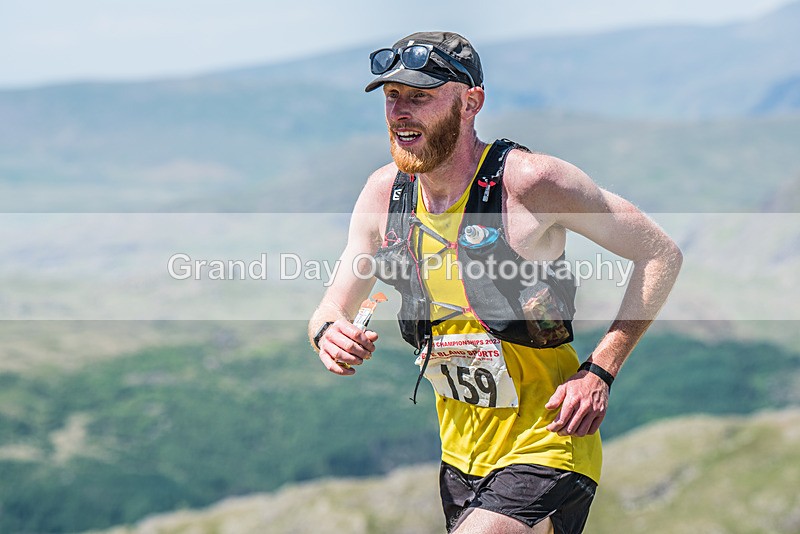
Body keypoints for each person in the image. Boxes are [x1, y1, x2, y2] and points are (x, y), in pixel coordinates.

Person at [308, 31, 682, 534]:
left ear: (470, 103)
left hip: (550, 441)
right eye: (392, 96)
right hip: (461, 456)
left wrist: (601, 369)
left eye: (420, 97)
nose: (400, 112)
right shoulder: (385, 195)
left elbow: (659, 253)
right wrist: (328, 334)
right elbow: (331, 307)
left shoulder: (531, 183)